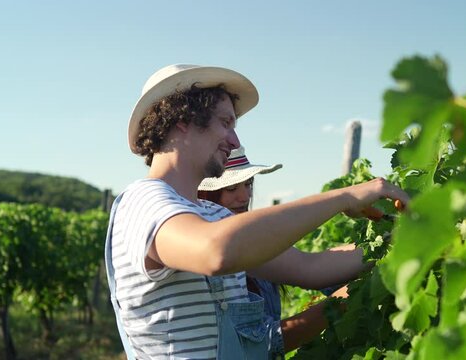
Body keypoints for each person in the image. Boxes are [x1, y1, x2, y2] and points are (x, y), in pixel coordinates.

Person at [105, 64, 409, 359]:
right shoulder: (141, 203)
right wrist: (343, 197)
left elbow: (309, 268)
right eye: (225, 123)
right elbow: (216, 251)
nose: (234, 141)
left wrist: (404, 240)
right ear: (182, 119)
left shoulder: (214, 214)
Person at [198, 146, 360, 358]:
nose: (244, 196)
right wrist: (341, 302)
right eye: (231, 189)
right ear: (205, 194)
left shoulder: (253, 243)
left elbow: (311, 266)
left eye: (248, 185)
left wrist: (387, 244)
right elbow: (265, 343)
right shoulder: (203, 260)